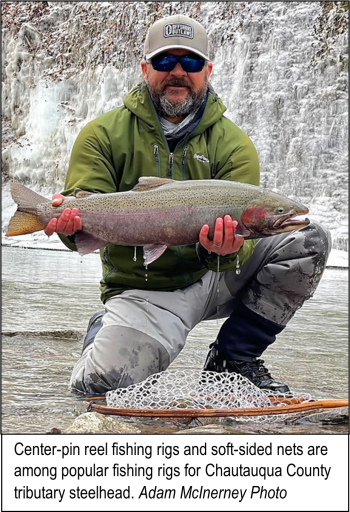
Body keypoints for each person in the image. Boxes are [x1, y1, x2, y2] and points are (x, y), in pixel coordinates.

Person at [45, 14, 331, 396]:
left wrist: (223, 250)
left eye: (191, 63)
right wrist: (68, 226)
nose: (178, 72)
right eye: (165, 62)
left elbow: (247, 241)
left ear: (207, 70)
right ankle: (107, 327)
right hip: (146, 290)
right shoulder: (101, 135)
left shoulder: (235, 144)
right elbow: (83, 219)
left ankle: (234, 360)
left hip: (218, 276)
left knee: (308, 239)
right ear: (145, 68)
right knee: (102, 389)